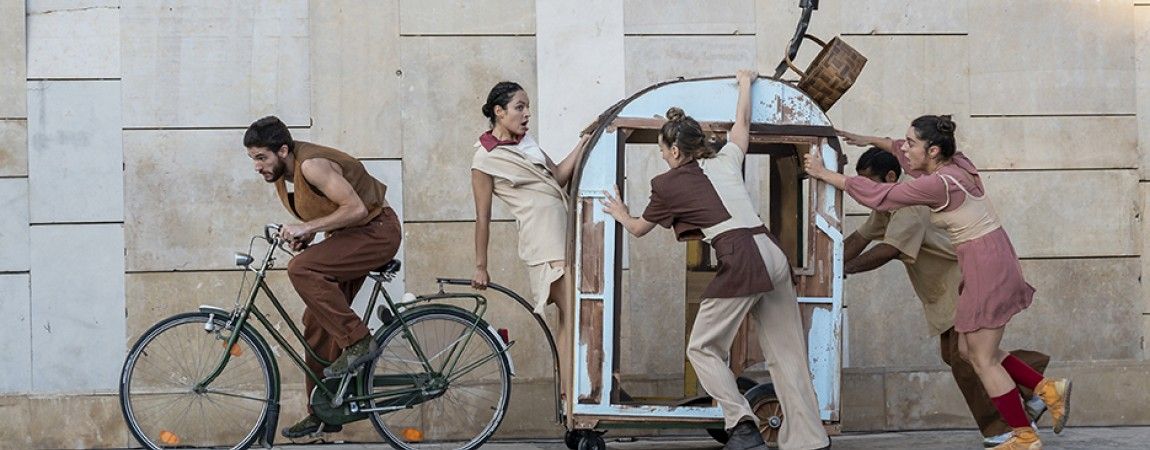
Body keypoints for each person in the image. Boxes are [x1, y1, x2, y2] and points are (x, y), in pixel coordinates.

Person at [804, 116, 1071, 450]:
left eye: (912, 143)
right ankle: (1046, 389)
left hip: (985, 264)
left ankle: (1023, 434)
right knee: (966, 350)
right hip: (984, 259)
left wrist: (825, 174)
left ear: (932, 150)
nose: (905, 148)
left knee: (980, 359)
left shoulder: (936, 186)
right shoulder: (956, 164)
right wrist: (866, 136)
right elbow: (900, 153)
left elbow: (882, 195)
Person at [601, 70, 830, 450]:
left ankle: (741, 425)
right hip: (770, 251)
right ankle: (810, 441)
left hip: (741, 255)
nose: (662, 157)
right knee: (787, 352)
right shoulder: (725, 158)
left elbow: (640, 228)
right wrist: (746, 84)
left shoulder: (667, 183)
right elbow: (742, 126)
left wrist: (621, 212)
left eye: (662, 151)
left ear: (675, 152)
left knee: (702, 348)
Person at [845, 147, 1052, 447]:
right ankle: (1036, 383)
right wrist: (831, 263)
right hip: (941, 293)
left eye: (870, 182)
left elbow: (889, 249)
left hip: (960, 285)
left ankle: (1003, 427)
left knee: (966, 360)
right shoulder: (887, 207)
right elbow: (860, 238)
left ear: (890, 177)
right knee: (962, 356)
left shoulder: (909, 203)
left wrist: (846, 269)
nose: (865, 190)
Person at [243, 116, 402, 439]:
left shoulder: (311, 165)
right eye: (253, 159)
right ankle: (323, 410)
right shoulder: (283, 176)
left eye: (261, 157)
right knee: (316, 321)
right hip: (351, 236)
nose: (257, 166)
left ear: (283, 150)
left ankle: (358, 340)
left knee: (301, 268)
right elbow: (328, 212)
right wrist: (310, 235)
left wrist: (307, 228)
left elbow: (355, 209)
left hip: (376, 231)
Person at [470, 81, 591, 405]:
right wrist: (481, 267)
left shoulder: (528, 143)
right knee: (580, 315)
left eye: (528, 108)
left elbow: (559, 177)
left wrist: (583, 143)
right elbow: (483, 216)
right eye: (519, 107)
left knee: (572, 319)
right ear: (499, 111)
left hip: (564, 234)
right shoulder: (484, 158)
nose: (526, 115)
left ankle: (571, 398)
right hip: (543, 241)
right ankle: (577, 397)